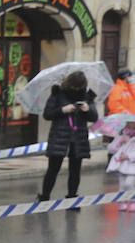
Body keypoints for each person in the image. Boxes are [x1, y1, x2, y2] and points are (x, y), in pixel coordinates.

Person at [37, 71, 99, 205]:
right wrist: (63, 110)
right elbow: (47, 114)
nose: (77, 89)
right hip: (60, 135)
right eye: (75, 86)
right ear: (70, 84)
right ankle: (44, 197)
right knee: (53, 168)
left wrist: (87, 109)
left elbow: (94, 117)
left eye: (79, 86)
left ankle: (72, 197)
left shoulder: (87, 96)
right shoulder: (58, 94)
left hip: (79, 137)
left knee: (75, 170)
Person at [106, 120, 135, 212]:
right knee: (122, 185)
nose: (129, 124)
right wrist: (118, 143)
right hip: (121, 165)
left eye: (132, 123)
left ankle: (133, 201)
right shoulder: (121, 135)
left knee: (129, 183)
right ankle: (122, 202)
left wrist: (128, 156)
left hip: (132, 165)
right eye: (128, 123)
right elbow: (111, 149)